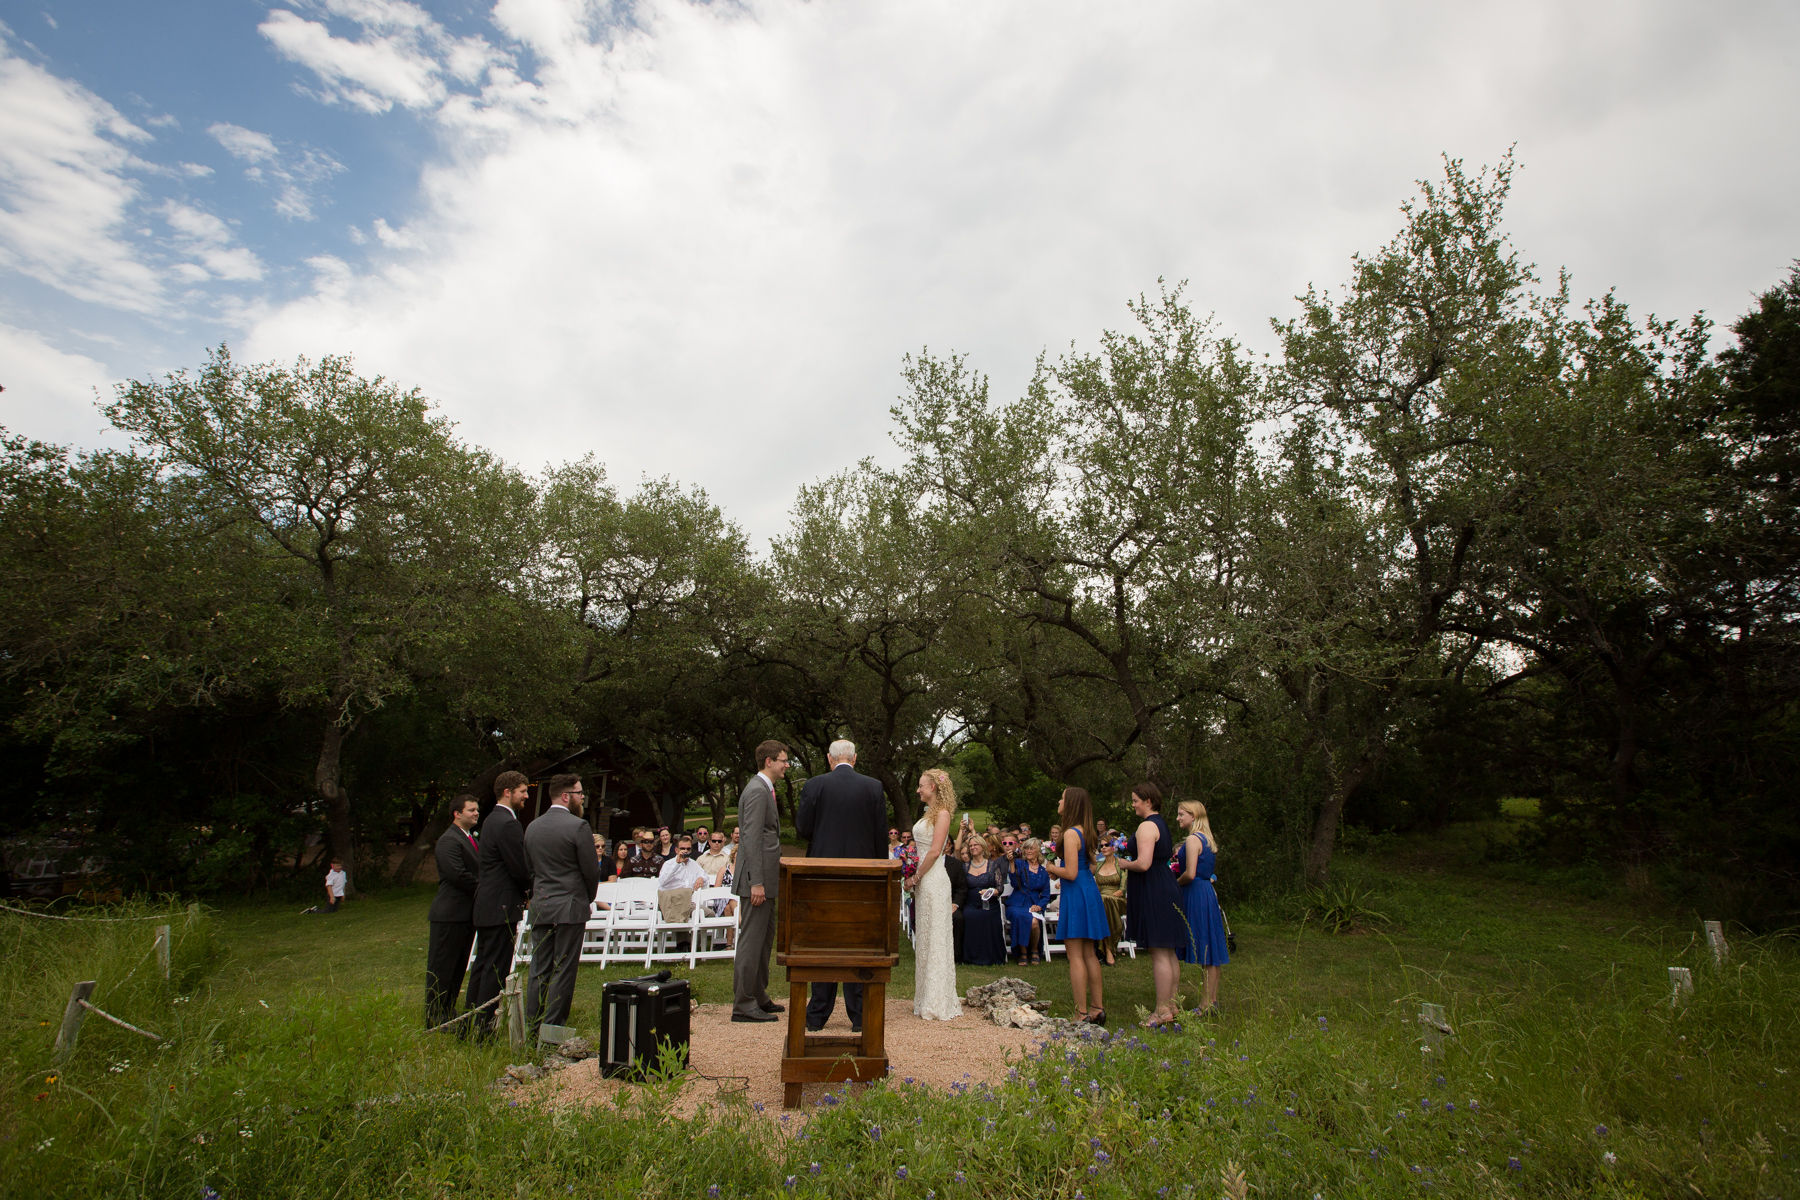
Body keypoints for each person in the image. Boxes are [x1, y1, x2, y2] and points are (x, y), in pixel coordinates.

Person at [795, 738, 889, 1033]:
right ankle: (859, 1014)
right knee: (858, 940)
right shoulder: (874, 787)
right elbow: (880, 835)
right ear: (855, 758)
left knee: (823, 941)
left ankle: (817, 1013)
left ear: (829, 758)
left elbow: (803, 829)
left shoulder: (814, 785)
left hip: (822, 874)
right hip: (863, 876)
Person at [522, 774, 600, 1033]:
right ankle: (553, 1029)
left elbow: (530, 869)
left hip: (541, 904)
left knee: (538, 969)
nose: (582, 798)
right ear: (566, 796)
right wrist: (587, 898)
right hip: (570, 904)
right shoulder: (578, 826)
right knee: (564, 968)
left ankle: (532, 1028)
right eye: (579, 793)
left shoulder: (532, 827)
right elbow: (591, 870)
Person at [467, 771, 531, 1037]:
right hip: (501, 905)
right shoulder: (507, 823)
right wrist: (529, 889)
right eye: (522, 791)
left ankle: (468, 1024)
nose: (527, 796)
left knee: (482, 966)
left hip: (487, 904)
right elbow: (518, 867)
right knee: (495, 968)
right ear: (507, 792)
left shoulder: (491, 819)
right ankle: (484, 1030)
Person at [731, 741, 789, 1023]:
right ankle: (743, 1004)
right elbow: (751, 838)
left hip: (766, 880)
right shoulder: (756, 790)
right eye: (783, 760)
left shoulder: (765, 788)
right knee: (751, 941)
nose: (786, 765)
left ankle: (758, 995)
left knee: (764, 940)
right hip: (757, 882)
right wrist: (756, 882)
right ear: (768, 761)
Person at [1122, 782, 1185, 1027]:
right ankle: (1172, 1004)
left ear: (1148, 801)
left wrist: (1122, 863)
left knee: (1159, 950)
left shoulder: (1147, 826)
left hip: (1154, 888)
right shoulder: (1161, 824)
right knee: (1168, 950)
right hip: (1164, 884)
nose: (1133, 805)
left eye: (1136, 800)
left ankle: (1161, 1010)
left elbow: (1143, 863)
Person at [1045, 787, 1108, 1024]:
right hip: (1088, 889)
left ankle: (1081, 1013)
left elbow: (1070, 873)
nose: (1059, 801)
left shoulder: (1071, 833)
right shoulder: (1087, 831)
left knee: (1075, 955)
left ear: (1070, 804)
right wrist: (1062, 870)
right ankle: (1097, 1008)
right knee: (1089, 953)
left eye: (1062, 798)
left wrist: (1052, 868)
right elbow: (1089, 867)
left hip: (1076, 893)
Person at [905, 769, 961, 1019]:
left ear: (933, 787)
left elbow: (935, 851)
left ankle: (937, 1000)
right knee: (926, 937)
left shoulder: (943, 814)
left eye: (921, 786)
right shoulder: (928, 813)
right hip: (924, 880)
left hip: (934, 879)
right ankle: (924, 997)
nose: (918, 790)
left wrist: (915, 877)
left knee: (937, 936)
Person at [425, 794, 481, 1029]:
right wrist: (486, 889)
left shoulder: (469, 837)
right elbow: (457, 874)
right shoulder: (448, 840)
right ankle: (434, 1015)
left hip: (466, 915)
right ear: (457, 814)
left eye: (477, 809)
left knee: (457, 967)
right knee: (442, 967)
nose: (476, 813)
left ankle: (448, 1010)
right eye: (471, 810)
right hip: (449, 914)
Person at [1175, 799, 1229, 1011]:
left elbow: (1189, 873)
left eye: (1181, 814)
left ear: (1193, 816)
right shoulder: (1207, 838)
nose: (1178, 818)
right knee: (1211, 947)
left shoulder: (1192, 839)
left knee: (1205, 945)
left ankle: (1206, 1004)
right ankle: (1211, 1000)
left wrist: (1174, 884)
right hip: (1206, 891)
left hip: (1195, 892)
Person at [960, 834, 1007, 966]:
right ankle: (971, 956)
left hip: (989, 903)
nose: (973, 847)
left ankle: (991, 956)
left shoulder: (992, 865)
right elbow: (961, 887)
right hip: (970, 903)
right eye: (970, 846)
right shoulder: (965, 867)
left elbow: (1000, 887)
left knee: (987, 916)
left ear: (982, 847)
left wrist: (991, 892)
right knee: (968, 915)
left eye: (976, 845)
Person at [1006, 838, 1051, 965]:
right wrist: (1011, 863)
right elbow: (1014, 884)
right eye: (1026, 848)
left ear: (1038, 851)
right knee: (1019, 916)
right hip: (1017, 903)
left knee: (1034, 922)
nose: (1029, 851)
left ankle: (1034, 950)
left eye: (1032, 848)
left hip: (1034, 904)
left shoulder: (1044, 872)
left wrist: (1040, 906)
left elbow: (1046, 895)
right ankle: (1023, 952)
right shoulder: (1020, 864)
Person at [656, 834, 705, 931]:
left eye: (688, 849)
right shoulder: (669, 864)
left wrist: (701, 877)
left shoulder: (693, 863)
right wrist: (677, 864)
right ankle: (683, 940)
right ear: (676, 850)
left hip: (690, 901)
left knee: (709, 914)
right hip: (673, 901)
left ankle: (695, 939)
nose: (685, 851)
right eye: (682, 848)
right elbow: (662, 882)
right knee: (681, 914)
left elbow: (705, 875)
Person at [1094, 834, 1127, 967]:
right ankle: (1107, 949)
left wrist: (1107, 897)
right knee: (1102, 902)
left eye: (1106, 845)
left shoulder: (1121, 864)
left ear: (1114, 847)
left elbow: (1122, 890)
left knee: (1105, 901)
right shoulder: (1098, 865)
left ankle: (1107, 950)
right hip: (1101, 900)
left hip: (1117, 899)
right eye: (1101, 846)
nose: (1103, 848)